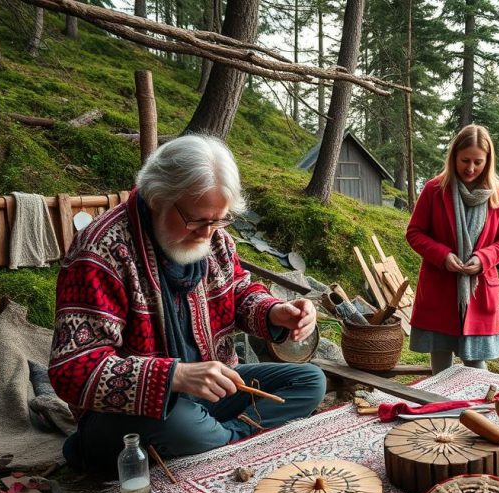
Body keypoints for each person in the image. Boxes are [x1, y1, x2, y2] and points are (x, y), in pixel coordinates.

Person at [49, 135, 326, 475]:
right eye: (196, 221)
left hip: (214, 389)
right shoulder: (100, 250)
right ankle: (226, 440)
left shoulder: (216, 239)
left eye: (219, 221)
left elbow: (238, 290)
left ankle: (221, 439)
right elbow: (74, 370)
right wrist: (175, 376)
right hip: (134, 413)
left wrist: (273, 311)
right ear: (157, 198)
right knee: (178, 423)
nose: (207, 234)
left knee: (311, 381)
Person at [406, 124, 499, 375]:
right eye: (464, 160)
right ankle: (440, 410)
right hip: (440, 289)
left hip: (478, 292)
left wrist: (484, 258)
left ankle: (475, 412)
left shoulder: (497, 195)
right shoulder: (435, 189)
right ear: (454, 156)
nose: (470, 168)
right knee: (440, 369)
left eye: (478, 162)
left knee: (477, 368)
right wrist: (442, 256)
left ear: (488, 161)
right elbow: (414, 233)